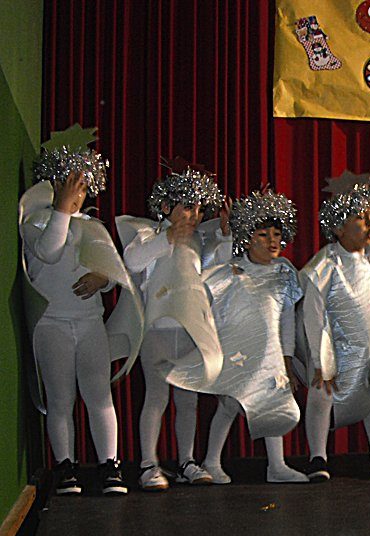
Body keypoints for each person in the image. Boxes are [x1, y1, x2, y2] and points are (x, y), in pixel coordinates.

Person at [20, 130, 142, 495]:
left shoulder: (93, 226)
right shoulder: (36, 221)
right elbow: (49, 252)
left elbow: (113, 270)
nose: (77, 195)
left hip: (89, 323)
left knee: (99, 395)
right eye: (70, 186)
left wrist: (102, 279)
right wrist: (61, 209)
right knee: (61, 398)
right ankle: (65, 467)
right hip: (52, 323)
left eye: (83, 188)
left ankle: (110, 465)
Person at [190, 190, 306, 483]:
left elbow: (287, 318)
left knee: (272, 403)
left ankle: (276, 466)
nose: (272, 241)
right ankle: (211, 461)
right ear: (248, 237)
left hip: (271, 354)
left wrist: (287, 358)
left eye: (276, 234)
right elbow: (216, 303)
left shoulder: (284, 272)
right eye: (263, 235)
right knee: (230, 404)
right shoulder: (234, 270)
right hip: (239, 352)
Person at [119, 166, 224, 489]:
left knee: (188, 400)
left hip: (190, 331)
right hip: (158, 331)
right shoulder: (149, 234)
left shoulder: (198, 242)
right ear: (166, 206)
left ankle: (186, 461)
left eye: (200, 209)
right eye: (187, 207)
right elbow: (132, 261)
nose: (195, 215)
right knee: (157, 396)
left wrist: (225, 233)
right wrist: (166, 238)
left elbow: (218, 267)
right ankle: (148, 464)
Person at [301, 177, 370, 480]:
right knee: (321, 396)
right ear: (339, 228)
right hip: (333, 347)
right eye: (361, 218)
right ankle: (318, 457)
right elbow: (313, 313)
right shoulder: (327, 263)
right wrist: (320, 360)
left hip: (367, 349)